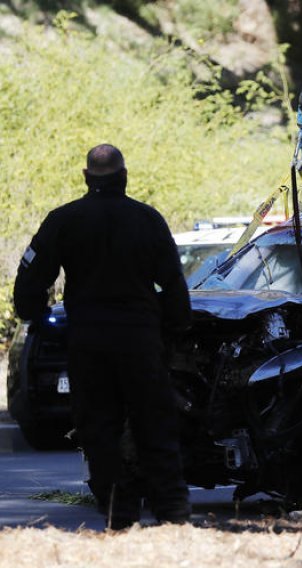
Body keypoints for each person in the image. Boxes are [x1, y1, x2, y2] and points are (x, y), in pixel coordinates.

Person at [13, 144, 192, 529]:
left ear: (85, 178)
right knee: (155, 426)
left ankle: (118, 512)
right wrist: (175, 328)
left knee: (99, 430)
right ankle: (174, 515)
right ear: (124, 177)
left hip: (88, 343)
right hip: (141, 341)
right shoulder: (148, 220)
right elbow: (174, 286)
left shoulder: (64, 220)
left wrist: (39, 317)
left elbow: (30, 279)